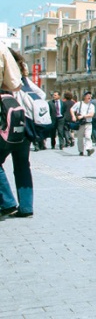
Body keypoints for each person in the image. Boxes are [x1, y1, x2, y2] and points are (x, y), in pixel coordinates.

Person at [0, 44, 32, 218]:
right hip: (23, 122)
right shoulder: (25, 80)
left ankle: (7, 202)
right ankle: (26, 207)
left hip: (4, 120)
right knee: (22, 166)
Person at [70, 91, 96, 157]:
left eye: (90, 96)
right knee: (80, 138)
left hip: (88, 123)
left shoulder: (92, 105)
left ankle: (89, 149)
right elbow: (72, 109)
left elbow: (91, 114)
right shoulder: (79, 103)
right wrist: (73, 116)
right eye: (88, 96)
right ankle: (81, 151)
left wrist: (83, 116)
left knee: (88, 136)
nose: (89, 97)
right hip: (80, 123)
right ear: (84, 97)